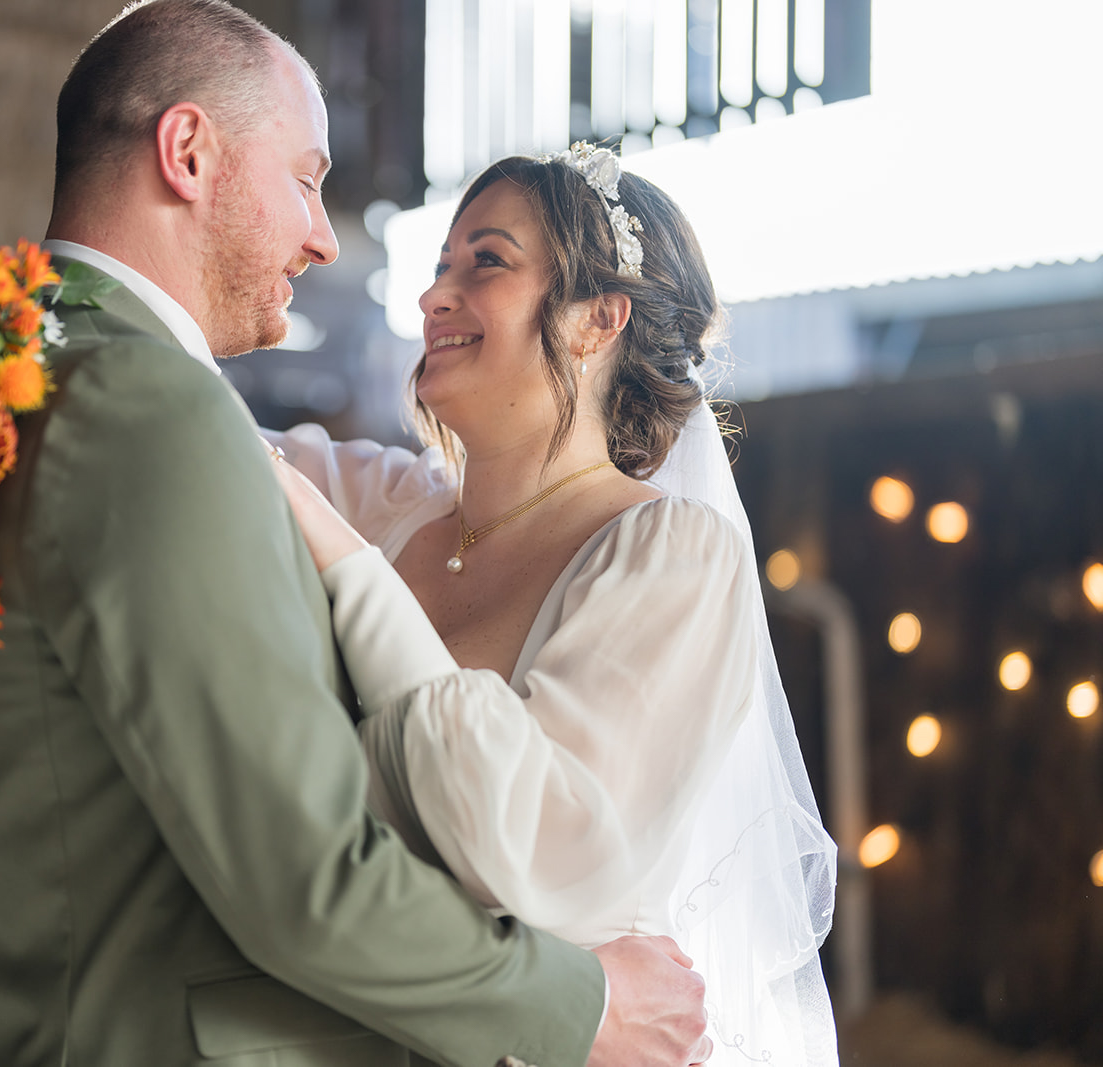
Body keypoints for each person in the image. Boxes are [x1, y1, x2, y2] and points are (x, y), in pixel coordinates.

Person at [0, 3, 711, 1066]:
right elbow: (301, 878)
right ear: (187, 153)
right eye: (305, 178)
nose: (326, 236)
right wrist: (582, 1008)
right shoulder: (152, 407)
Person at [269, 146, 840, 1066]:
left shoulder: (675, 559)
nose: (432, 298)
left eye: (484, 262)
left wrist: (344, 566)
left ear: (596, 318)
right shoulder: (387, 504)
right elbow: (197, 425)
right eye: (439, 267)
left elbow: (543, 848)